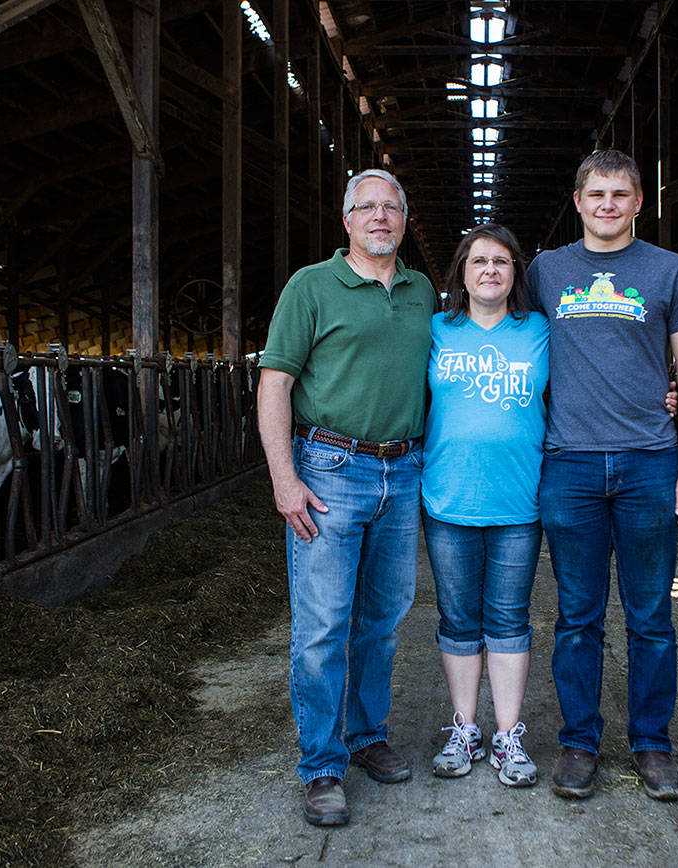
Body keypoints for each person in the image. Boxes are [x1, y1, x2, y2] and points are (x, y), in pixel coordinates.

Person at [526, 149, 678, 802]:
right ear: (577, 202)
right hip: (569, 463)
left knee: (651, 614)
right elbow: (510, 337)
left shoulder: (669, 271)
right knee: (577, 615)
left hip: (648, 464)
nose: (607, 205)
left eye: (620, 194)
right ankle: (579, 742)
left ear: (639, 202)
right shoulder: (545, 271)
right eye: (595, 194)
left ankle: (652, 744)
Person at [257, 168, 436, 827]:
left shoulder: (422, 292)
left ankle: (366, 737)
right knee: (323, 624)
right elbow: (275, 382)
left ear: (404, 219)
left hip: (404, 469)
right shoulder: (310, 287)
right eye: (368, 208)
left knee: (383, 617)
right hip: (330, 467)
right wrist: (284, 478)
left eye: (392, 207)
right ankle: (323, 766)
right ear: (347, 220)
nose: (381, 217)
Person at [421, 224, 549, 787]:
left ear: (516, 272)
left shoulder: (541, 331)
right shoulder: (435, 331)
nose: (491, 270)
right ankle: (464, 728)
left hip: (519, 502)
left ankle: (508, 736)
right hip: (448, 499)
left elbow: (598, 371)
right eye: (479, 262)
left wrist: (658, 395)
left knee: (508, 620)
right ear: (462, 273)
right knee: (458, 620)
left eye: (502, 261)